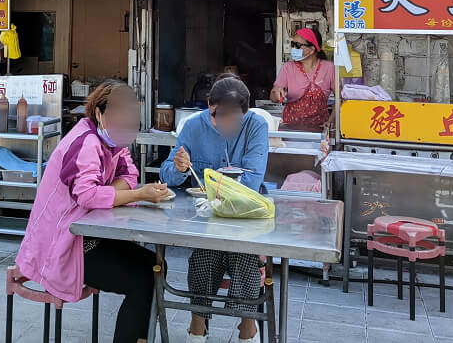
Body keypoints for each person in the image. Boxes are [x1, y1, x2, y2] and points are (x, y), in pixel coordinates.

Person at [16, 80, 168, 343]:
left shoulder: (114, 140)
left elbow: (130, 174)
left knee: (157, 265)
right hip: (65, 246)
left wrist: (111, 193)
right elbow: (87, 195)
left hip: (93, 237)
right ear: (99, 113)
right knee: (143, 279)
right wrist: (137, 195)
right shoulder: (85, 142)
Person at [160, 76, 269, 343]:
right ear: (209, 105)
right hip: (205, 217)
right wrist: (178, 167)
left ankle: (247, 327)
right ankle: (198, 324)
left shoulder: (256, 126)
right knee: (203, 258)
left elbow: (253, 180)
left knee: (243, 257)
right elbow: (167, 175)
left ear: (246, 112)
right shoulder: (193, 127)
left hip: (245, 216)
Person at [270, 27, 335, 130]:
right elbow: (273, 96)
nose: (293, 48)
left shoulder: (329, 68)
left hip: (319, 130)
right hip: (290, 129)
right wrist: (276, 94)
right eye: (292, 44)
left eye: (297, 45)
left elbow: (340, 99)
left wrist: (331, 121)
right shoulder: (288, 67)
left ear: (311, 49)